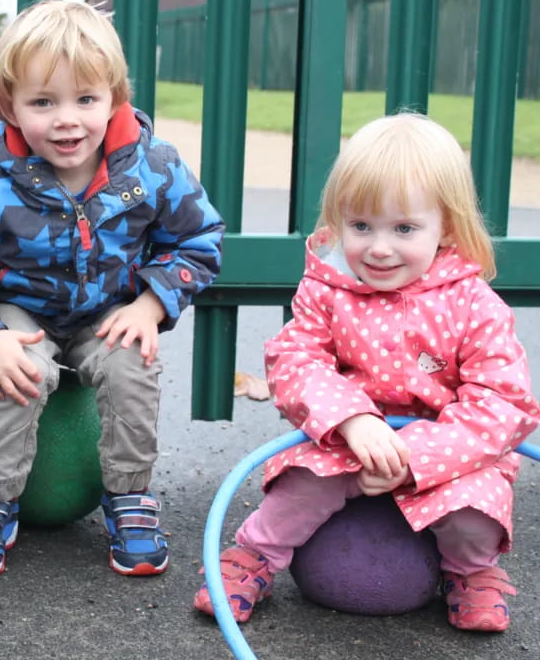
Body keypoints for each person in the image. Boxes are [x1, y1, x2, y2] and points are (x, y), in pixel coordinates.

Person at [0, 0, 224, 578]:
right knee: (19, 365)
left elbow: (199, 239)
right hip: (20, 310)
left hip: (108, 313)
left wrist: (151, 304)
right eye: (42, 102)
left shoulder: (151, 166)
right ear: (10, 105)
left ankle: (129, 496)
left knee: (133, 362)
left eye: (86, 99)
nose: (67, 120)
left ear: (114, 97)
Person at [193, 113, 540, 632]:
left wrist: (417, 458)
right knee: (303, 484)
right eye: (361, 226)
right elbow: (296, 362)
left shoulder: (474, 304)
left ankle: (470, 572)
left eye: (403, 228)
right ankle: (257, 555)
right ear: (340, 220)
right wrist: (353, 420)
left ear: (444, 225)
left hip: (448, 456)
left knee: (476, 510)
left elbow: (503, 403)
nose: (379, 248)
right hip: (345, 444)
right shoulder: (327, 290)